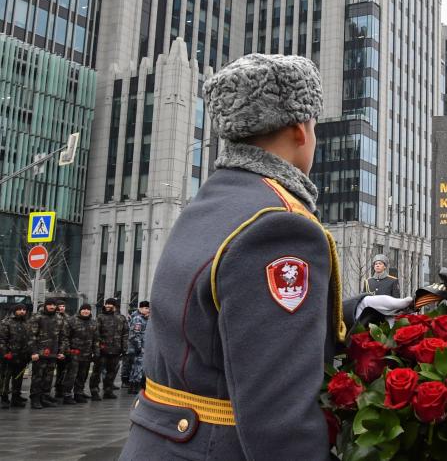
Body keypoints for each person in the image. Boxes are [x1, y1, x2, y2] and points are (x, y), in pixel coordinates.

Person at [120, 54, 410, 461]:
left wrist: (354, 311)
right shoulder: (281, 226)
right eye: (314, 126)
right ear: (299, 130)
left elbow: (229, 331)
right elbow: (281, 417)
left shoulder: (209, 204)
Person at [29, 298, 65, 409]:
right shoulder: (37, 317)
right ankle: (35, 399)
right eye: (49, 305)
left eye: (53, 305)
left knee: (48, 377)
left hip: (53, 353)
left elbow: (62, 336)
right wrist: (34, 352)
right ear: (45, 305)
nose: (52, 307)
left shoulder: (59, 318)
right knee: (37, 377)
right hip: (40, 353)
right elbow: (31, 336)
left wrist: (61, 351)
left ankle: (44, 397)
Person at [90, 297, 127, 400]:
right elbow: (96, 334)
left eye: (110, 304)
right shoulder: (100, 317)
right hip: (102, 350)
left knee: (111, 372)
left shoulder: (121, 318)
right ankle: (94, 391)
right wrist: (97, 349)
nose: (107, 306)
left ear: (115, 306)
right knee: (97, 372)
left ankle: (108, 390)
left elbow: (125, 334)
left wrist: (124, 349)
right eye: (106, 304)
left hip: (115, 351)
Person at [62, 303, 98, 404]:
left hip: (87, 354)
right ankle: (67, 395)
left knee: (83, 375)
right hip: (74, 353)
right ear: (80, 310)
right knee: (71, 375)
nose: (86, 311)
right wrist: (67, 351)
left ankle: (79, 393)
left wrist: (96, 352)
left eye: (88, 309)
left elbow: (96, 339)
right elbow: (65, 337)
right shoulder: (71, 321)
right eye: (84, 309)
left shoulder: (93, 323)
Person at [0, 304, 32, 408]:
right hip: (9, 356)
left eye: (24, 310)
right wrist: (5, 353)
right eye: (19, 310)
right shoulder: (6, 322)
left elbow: (29, 339)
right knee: (5, 378)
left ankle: (15, 398)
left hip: (22, 356)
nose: (22, 311)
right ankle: (4, 398)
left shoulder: (27, 323)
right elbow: (2, 340)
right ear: (14, 311)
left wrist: (28, 353)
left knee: (18, 378)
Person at [126, 301, 150, 394]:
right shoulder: (138, 319)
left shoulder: (147, 319)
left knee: (137, 367)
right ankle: (135, 386)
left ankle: (134, 386)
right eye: (146, 308)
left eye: (149, 308)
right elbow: (135, 335)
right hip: (138, 348)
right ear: (140, 309)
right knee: (138, 367)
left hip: (144, 347)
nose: (148, 310)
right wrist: (140, 347)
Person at [53, 298, 71, 400]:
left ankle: (59, 389)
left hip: (64, 347)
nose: (62, 308)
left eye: (63, 306)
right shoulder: (53, 317)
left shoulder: (68, 317)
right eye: (60, 306)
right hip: (53, 347)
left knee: (62, 370)